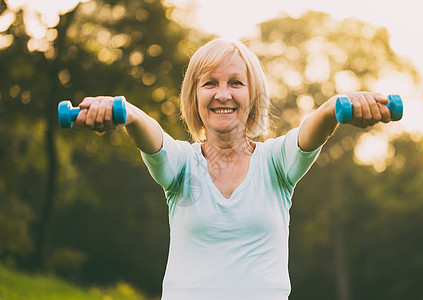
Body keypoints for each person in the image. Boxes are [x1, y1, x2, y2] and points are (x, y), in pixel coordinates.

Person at [75, 38, 392, 300]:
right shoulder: (181, 164)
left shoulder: (275, 162)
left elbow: (310, 132)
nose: (222, 94)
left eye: (236, 83)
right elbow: (154, 138)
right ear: (194, 96)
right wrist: (127, 113)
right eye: (209, 83)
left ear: (253, 97)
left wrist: (335, 108)